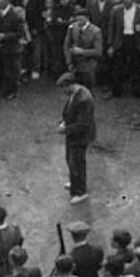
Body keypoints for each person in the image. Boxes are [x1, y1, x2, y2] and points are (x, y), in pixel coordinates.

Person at [58, 72, 96, 204]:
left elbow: (83, 124)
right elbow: (70, 110)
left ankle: (80, 192)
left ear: (70, 85)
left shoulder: (83, 99)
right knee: (70, 159)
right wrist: (65, 121)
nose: (63, 91)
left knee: (77, 163)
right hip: (73, 135)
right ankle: (75, 182)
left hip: (80, 137)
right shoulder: (75, 93)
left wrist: (66, 130)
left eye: (64, 88)